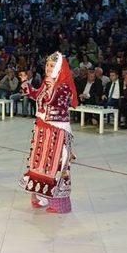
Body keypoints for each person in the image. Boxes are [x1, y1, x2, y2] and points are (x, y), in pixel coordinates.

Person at [19, 51, 78, 214]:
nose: (48, 68)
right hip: (43, 130)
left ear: (59, 68)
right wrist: (25, 83)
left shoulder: (64, 86)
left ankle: (59, 204)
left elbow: (56, 103)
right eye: (47, 65)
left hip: (57, 131)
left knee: (56, 166)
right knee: (41, 164)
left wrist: (51, 87)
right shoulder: (47, 83)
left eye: (52, 66)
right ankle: (43, 196)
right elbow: (36, 95)